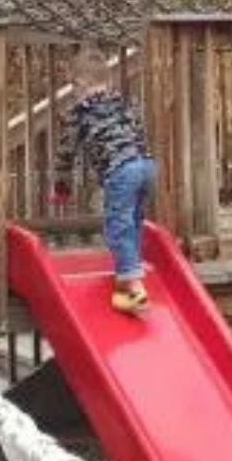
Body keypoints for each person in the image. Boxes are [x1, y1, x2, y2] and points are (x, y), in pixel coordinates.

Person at [54, 50, 155, 315]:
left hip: (120, 171)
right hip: (146, 166)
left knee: (117, 226)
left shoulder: (80, 112)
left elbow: (66, 152)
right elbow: (138, 132)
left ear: (80, 84)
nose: (74, 93)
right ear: (107, 81)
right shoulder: (124, 103)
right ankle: (130, 271)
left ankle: (134, 287)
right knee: (132, 221)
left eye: (73, 88)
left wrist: (62, 186)